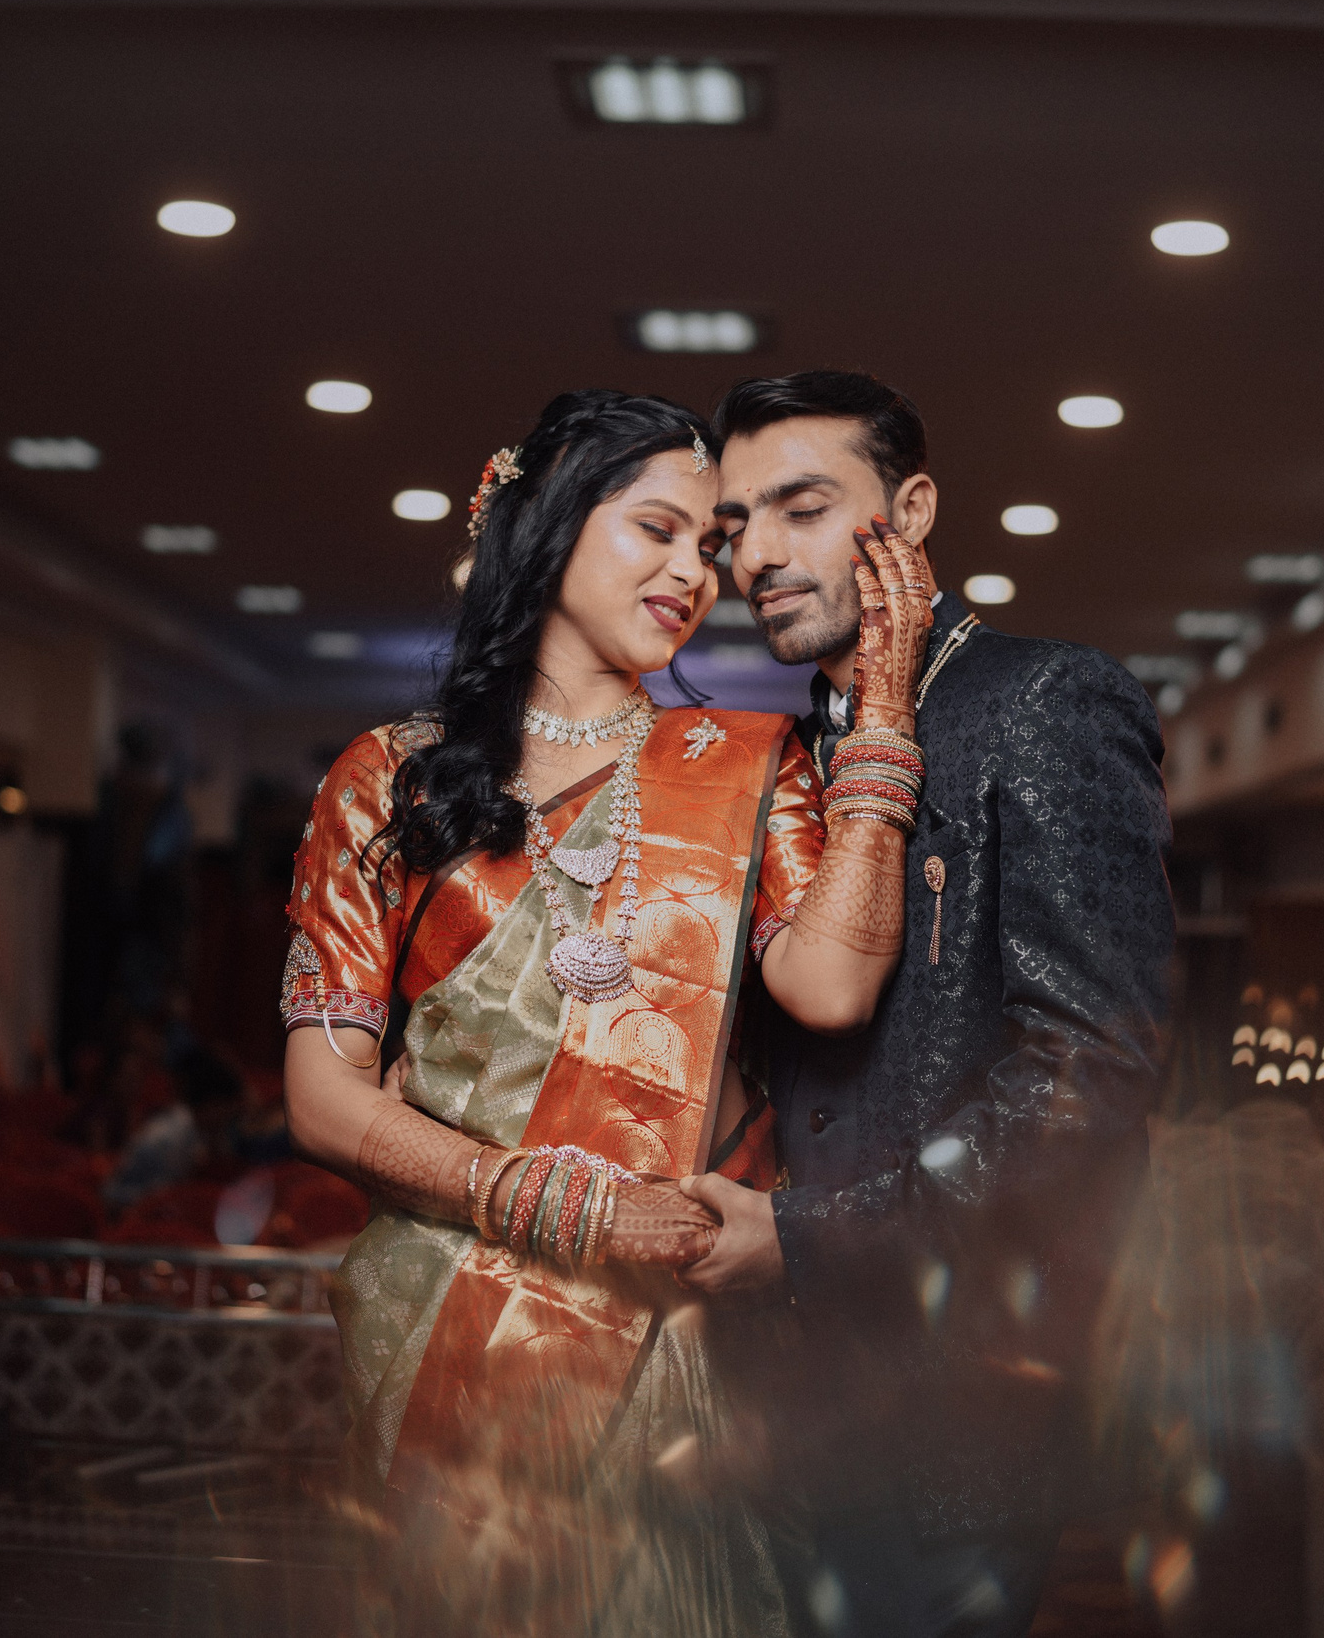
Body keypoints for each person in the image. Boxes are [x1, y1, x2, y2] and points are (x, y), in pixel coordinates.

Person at [280, 388, 937, 1637]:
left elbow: (834, 985)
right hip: (451, 1321)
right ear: (546, 522)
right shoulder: (390, 779)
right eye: (658, 530)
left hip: (679, 1342)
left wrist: (885, 713)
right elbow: (321, 1100)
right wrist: (556, 1204)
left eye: (710, 544)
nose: (697, 572)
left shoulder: (747, 761)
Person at [685, 371, 1174, 1638]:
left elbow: (1092, 1074)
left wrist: (805, 1238)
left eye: (802, 508)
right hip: (779, 1399)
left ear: (909, 510)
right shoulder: (783, 758)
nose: (758, 556)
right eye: (735, 524)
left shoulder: (1043, 703)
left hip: (953, 1398)